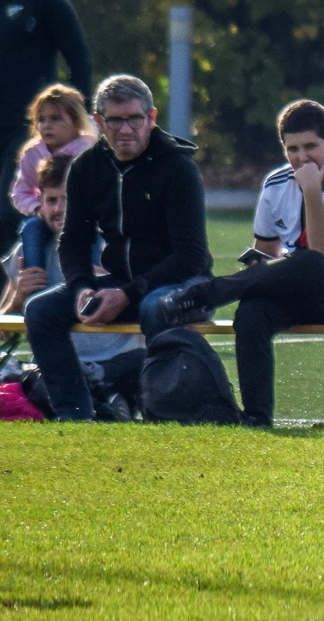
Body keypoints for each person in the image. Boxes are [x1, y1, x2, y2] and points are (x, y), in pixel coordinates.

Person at [155, 99, 324, 427]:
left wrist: (311, 191)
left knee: (309, 263)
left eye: (311, 147)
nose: (302, 158)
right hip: (297, 288)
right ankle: (256, 418)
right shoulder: (276, 183)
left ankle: (206, 293)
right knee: (251, 312)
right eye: (293, 149)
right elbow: (265, 252)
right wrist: (258, 265)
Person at [23, 74, 211, 421]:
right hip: (124, 283)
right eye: (115, 121)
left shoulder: (178, 168)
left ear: (151, 118)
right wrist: (81, 287)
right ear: (98, 122)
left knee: (155, 307)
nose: (126, 130)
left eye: (134, 119)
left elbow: (191, 256)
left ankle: (164, 413)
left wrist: (128, 294)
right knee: (40, 310)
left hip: (182, 284)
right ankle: (75, 413)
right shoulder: (86, 167)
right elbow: (73, 240)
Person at [2, 155, 144, 418]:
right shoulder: (29, 253)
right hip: (56, 369)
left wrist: (112, 283)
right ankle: (104, 404)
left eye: (67, 200)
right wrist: (19, 297)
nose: (59, 209)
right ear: (40, 204)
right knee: (29, 378)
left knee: (141, 363)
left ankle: (98, 397)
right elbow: (4, 332)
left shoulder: (115, 249)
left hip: (115, 364)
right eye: (51, 201)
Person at [0, 0, 93, 252]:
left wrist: (78, 116)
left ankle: (21, 277)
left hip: (25, 128)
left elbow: (79, 60)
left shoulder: (44, 1)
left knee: (7, 208)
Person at [11, 84, 98, 270]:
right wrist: (37, 208)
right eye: (41, 120)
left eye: (56, 119)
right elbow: (19, 193)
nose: (47, 125)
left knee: (95, 229)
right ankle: (35, 274)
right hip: (49, 213)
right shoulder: (32, 154)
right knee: (31, 228)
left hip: (83, 214)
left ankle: (95, 271)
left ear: (76, 121)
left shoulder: (88, 150)